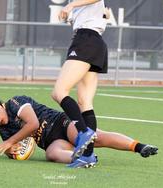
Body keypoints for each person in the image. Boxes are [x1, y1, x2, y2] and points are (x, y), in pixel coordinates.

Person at [0, 96, 158, 168]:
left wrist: (9, 142)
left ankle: (139, 147)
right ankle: (87, 158)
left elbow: (32, 124)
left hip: (61, 123)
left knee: (97, 137)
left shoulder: (15, 103)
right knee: (52, 154)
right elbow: (16, 150)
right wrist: (11, 151)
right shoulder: (5, 130)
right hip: (51, 141)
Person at [51, 0, 109, 167]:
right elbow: (95, 14)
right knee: (84, 102)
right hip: (94, 42)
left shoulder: (75, 3)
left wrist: (71, 6)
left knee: (58, 92)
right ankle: (88, 155)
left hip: (86, 40)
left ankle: (84, 133)